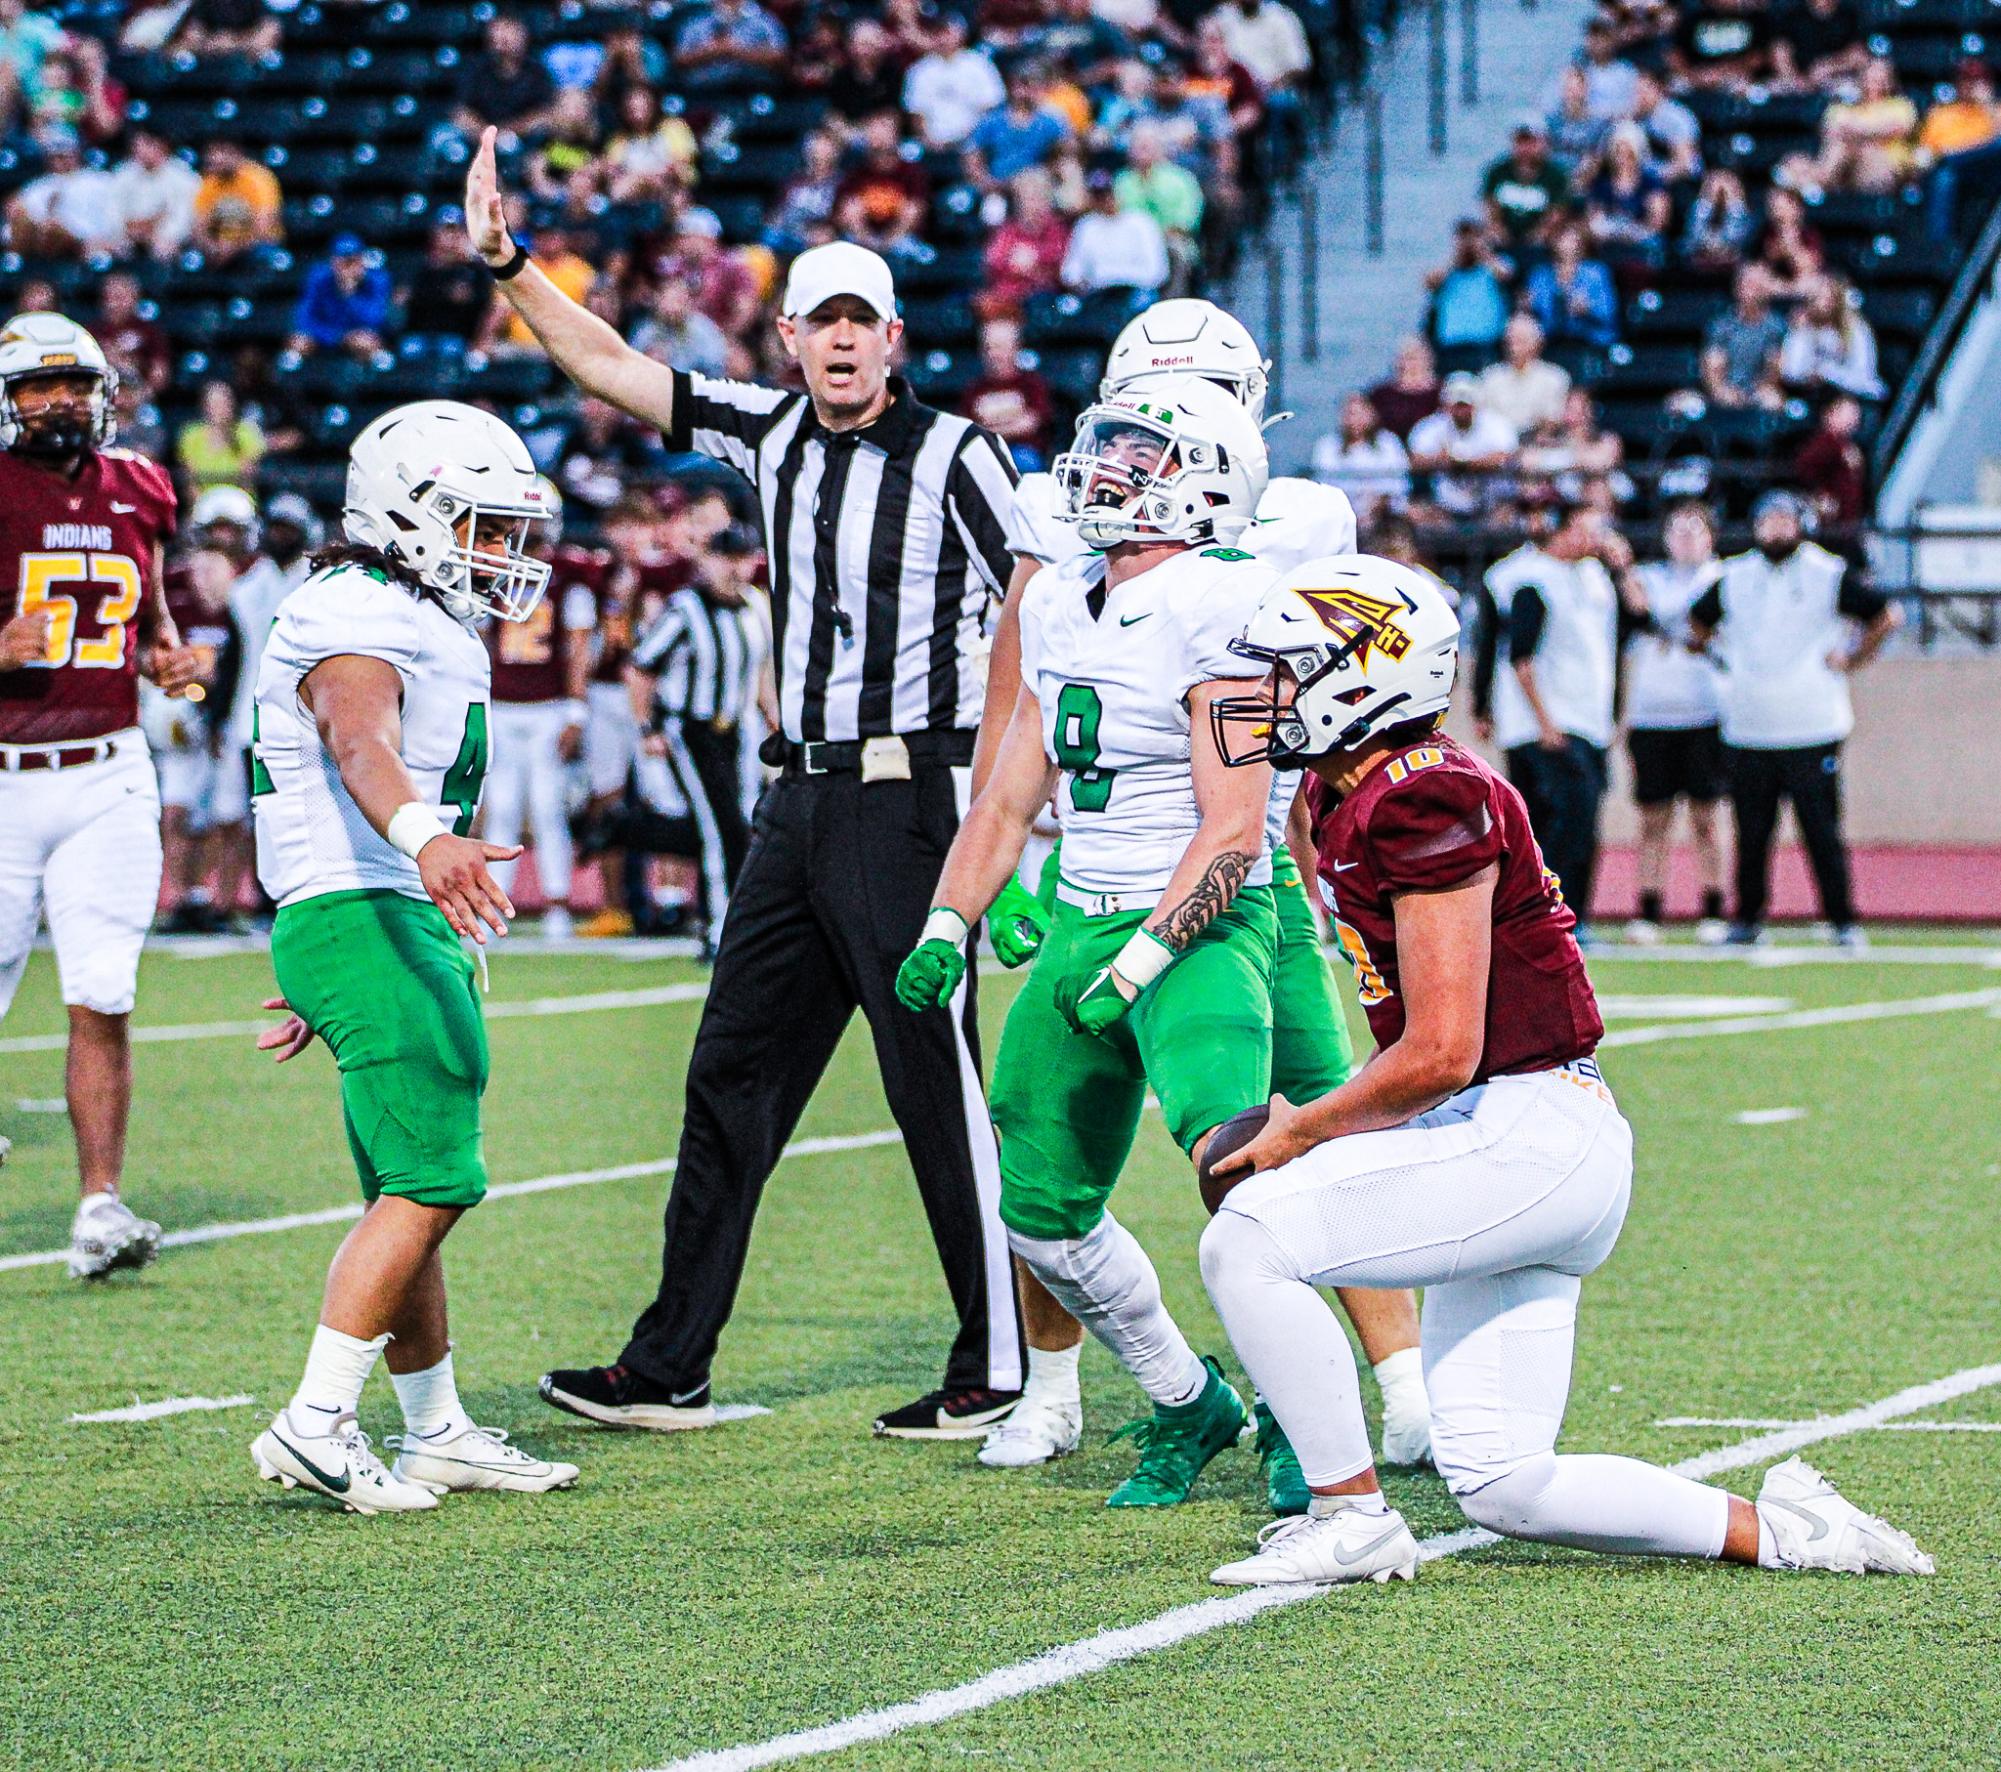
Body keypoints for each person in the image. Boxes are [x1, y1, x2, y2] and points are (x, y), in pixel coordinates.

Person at [1193, 551, 1933, 1587]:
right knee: (1503, 1481)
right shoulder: (1370, 789)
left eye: (1289, 668)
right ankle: (1795, 1530)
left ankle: (1349, 1513)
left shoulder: (1424, 796)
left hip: (1521, 1131)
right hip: (1530, 1139)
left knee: (1249, 1239)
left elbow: (1444, 1050)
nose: (1266, 694)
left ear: (1363, 675)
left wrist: (1304, 1125)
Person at [463, 135, 1029, 1436]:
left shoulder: (957, 455)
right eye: (818, 322)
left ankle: (994, 1359)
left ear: (891, 338)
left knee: (930, 1075)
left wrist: (1006, 785)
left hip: (911, 793)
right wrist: (508, 263)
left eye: (858, 322)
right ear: (786, 336)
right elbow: (608, 364)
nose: (838, 343)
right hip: (799, 800)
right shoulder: (767, 431)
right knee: (728, 1072)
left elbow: (1034, 600)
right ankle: (670, 1362)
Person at [970, 299, 1430, 1482]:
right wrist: (1003, 866)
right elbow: (1021, 703)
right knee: (1049, 1136)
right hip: (1109, 868)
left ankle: (1389, 1393)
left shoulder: (1294, 519)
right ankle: (1067, 1381)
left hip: (1245, 860)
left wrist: (1348, 851)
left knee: (1301, 1126)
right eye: (1128, 426)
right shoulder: (1071, 542)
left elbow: (1337, 700)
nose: (1130, 458)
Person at [898, 377, 1281, 1506]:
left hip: (1198, 921)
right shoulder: (1063, 595)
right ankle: (1186, 1395)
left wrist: (1143, 961)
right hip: (1084, 912)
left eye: (1141, 451)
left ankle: (1307, 1422)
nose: (1109, 465)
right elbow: (1008, 797)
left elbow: (1234, 828)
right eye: (1106, 442)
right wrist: (948, 917)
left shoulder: (1229, 602)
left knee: (1240, 1163)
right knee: (1040, 1210)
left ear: (1207, 479)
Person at [248, 400, 579, 1512]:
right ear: (409, 512)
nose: (501, 553)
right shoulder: (354, 606)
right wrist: (424, 842)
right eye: (479, 526)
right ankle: (316, 1419)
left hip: (367, 915)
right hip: (371, 906)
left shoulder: (406, 605)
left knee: (411, 1180)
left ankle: (435, 1427)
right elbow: (359, 740)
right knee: (437, 1179)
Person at [0, 312, 195, 1279]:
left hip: (109, 772)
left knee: (103, 991)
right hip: (1, 781)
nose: (58, 401)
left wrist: (166, 657)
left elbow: (150, 615)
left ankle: (99, 1205)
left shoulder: (143, 487)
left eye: (73, 382)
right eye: (37, 386)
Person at [1690, 491, 1897, 948]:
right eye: (1768, 521)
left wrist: (1853, 657)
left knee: (1821, 830)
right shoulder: (1735, 574)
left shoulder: (1828, 573)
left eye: (1785, 521)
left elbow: (1886, 615)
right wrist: (1724, 661)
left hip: (1812, 723)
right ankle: (1747, 918)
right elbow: (1697, 624)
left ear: (1802, 525)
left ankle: (1842, 920)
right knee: (1752, 833)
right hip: (1749, 725)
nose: (1776, 530)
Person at [1485, 503, 1626, 941]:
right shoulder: (1531, 580)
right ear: (1561, 532)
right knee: (1563, 820)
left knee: (1579, 820)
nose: (1595, 538)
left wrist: (1626, 568)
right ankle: (1549, 913)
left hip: (1587, 719)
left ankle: (1563, 915)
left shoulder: (1596, 577)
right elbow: (1520, 659)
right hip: (1549, 725)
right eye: (1586, 529)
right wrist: (1545, 722)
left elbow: (1635, 626)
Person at [627, 522, 769, 949]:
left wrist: (775, 720)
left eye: (742, 558)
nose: (735, 569)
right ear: (706, 561)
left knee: (742, 824)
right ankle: (721, 928)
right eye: (726, 558)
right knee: (718, 827)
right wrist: (648, 728)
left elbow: (762, 671)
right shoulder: (686, 608)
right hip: (692, 730)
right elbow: (641, 668)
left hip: (739, 730)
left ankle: (733, 922)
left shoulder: (756, 605)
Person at [479, 480, 593, 941]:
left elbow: (578, 646)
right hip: (503, 704)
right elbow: (484, 642)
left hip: (547, 706)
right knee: (501, 807)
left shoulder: (569, 578)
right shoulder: (493, 571)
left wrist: (576, 710)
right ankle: (496, 905)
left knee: (548, 808)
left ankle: (557, 903)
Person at [211, 491, 321, 929]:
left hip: (306, 720)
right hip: (249, 720)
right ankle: (264, 896)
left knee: (306, 813)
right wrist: (218, 717)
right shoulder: (247, 587)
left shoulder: (317, 582)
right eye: (275, 527)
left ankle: (303, 893)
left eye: (288, 529)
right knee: (261, 815)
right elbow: (234, 659)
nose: (280, 536)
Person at [1623, 503, 1729, 944]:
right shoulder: (1647, 578)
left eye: (1695, 530)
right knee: (1653, 818)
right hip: (1652, 715)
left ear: (1711, 537)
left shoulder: (1723, 580)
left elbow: (1692, 626)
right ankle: (1649, 908)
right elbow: (1640, 613)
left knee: (1706, 817)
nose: (1685, 538)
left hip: (1704, 712)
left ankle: (1714, 907)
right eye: (1677, 530)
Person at [1309, 392, 1410, 520]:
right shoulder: (1327, 445)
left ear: (1372, 415)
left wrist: (1375, 506)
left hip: (1382, 515)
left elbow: (1397, 485)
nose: (1355, 419)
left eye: (1360, 413)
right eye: (1350, 414)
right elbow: (1323, 486)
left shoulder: (1388, 442)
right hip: (1338, 514)